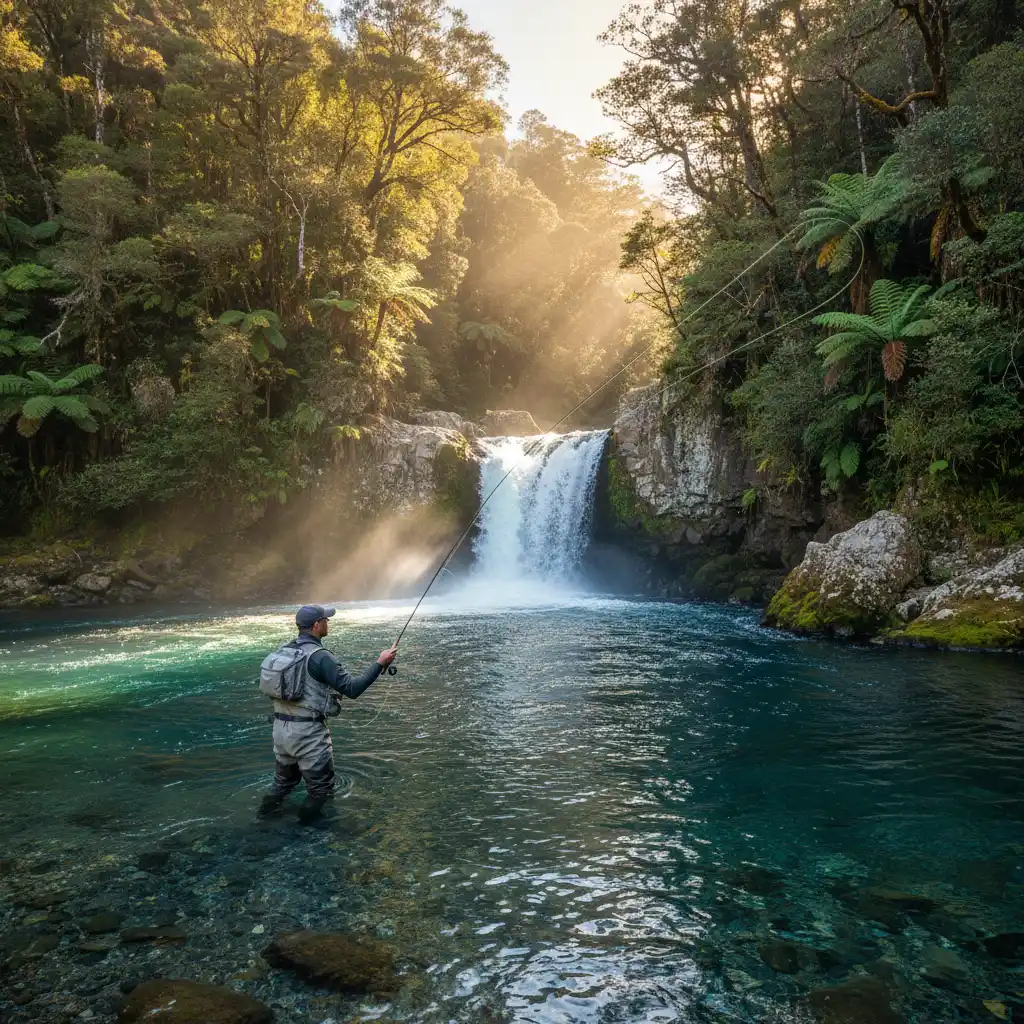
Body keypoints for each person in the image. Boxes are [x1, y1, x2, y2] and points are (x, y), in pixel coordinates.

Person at [259, 604, 397, 823]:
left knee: (283, 784)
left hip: (280, 731)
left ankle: (262, 820)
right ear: (316, 625)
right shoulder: (321, 657)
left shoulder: (284, 651)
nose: (328, 623)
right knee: (320, 790)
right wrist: (380, 663)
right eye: (326, 620)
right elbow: (352, 689)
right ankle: (305, 833)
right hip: (308, 735)